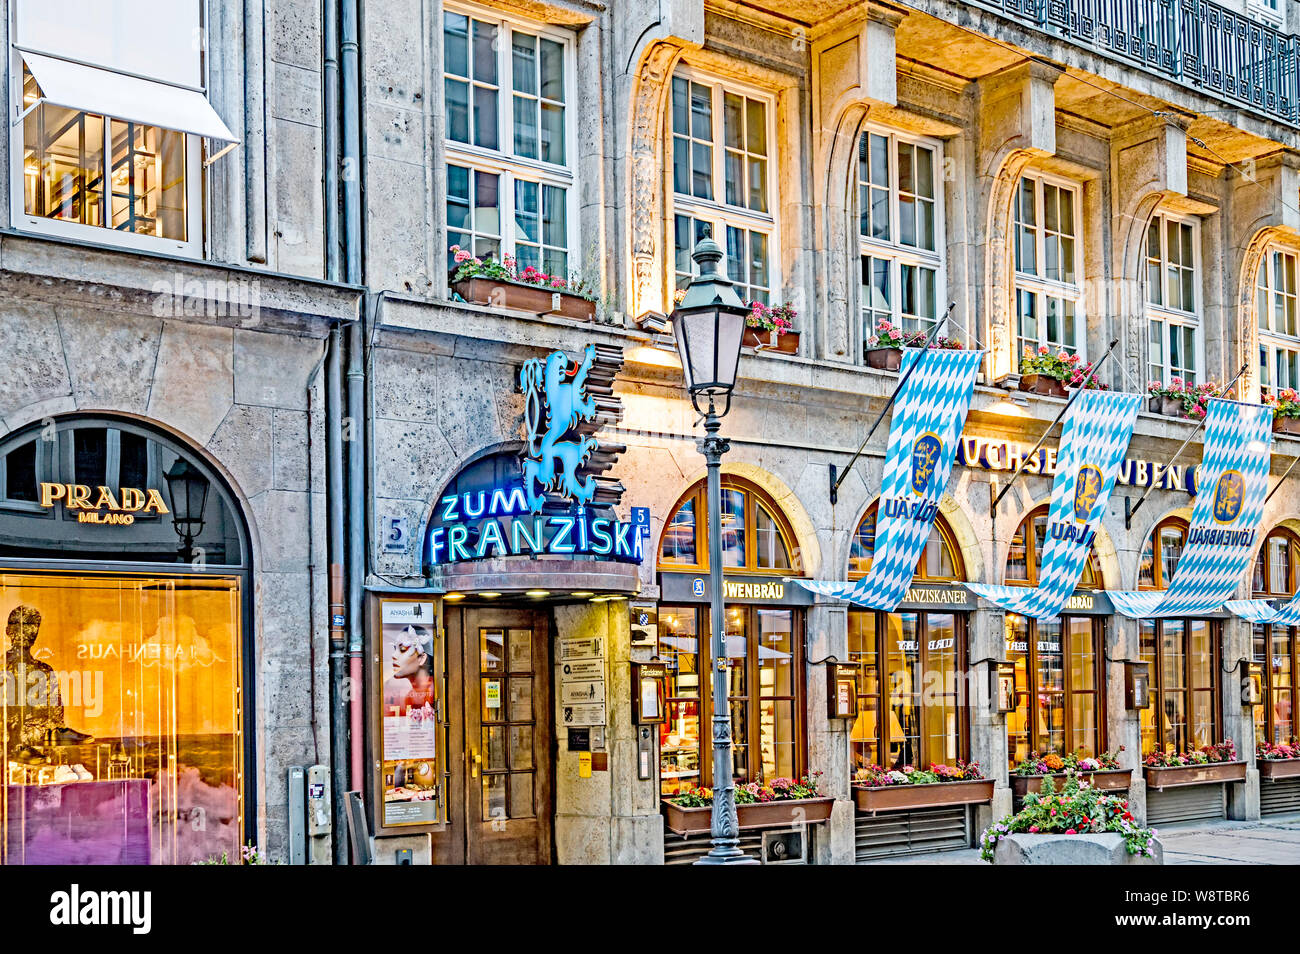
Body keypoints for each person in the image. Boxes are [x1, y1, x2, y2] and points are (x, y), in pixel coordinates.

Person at [3, 605, 92, 765]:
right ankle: (17, 747)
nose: (27, 633)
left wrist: (55, 729)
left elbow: (56, 715)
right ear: (9, 631)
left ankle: (64, 765)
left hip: (36, 740)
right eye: (21, 626)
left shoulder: (44, 670)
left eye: (32, 628)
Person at [390, 624, 435, 710]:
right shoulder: (408, 697)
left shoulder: (436, 692)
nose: (394, 655)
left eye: (403, 649)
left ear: (421, 658)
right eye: (395, 649)